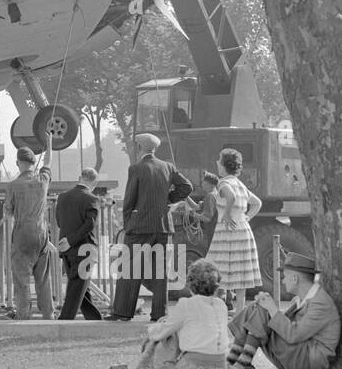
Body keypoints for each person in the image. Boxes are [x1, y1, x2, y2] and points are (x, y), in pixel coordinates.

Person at [109, 133, 192, 322]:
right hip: (163, 227)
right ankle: (159, 313)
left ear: (140, 148)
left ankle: (122, 312)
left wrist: (128, 224)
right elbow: (186, 187)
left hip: (140, 227)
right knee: (160, 273)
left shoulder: (136, 168)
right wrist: (167, 200)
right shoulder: (168, 167)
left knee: (131, 269)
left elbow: (129, 199)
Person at [129, 259, 244, 369]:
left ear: (190, 284)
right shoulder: (221, 305)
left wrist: (153, 329)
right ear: (216, 285)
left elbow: (160, 333)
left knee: (165, 337)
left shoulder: (186, 304)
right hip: (220, 368)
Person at [226, 252, 340, 369]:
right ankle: (234, 362)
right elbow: (279, 326)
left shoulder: (320, 302)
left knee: (262, 309)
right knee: (256, 306)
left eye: (285, 276)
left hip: (307, 360)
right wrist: (266, 306)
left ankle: (240, 365)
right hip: (299, 354)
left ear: (295, 278)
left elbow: (294, 335)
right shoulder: (304, 299)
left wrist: (271, 308)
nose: (283, 281)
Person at [205, 149, 262, 309]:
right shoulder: (240, 184)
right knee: (240, 276)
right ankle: (239, 314)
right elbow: (257, 203)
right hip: (243, 230)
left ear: (222, 166)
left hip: (227, 231)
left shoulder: (223, 182)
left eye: (219, 160)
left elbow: (231, 196)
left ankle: (218, 310)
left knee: (218, 270)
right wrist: (247, 217)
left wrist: (228, 213)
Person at [6, 137, 54, 319]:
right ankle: (48, 314)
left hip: (22, 235)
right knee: (43, 279)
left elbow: (9, 213)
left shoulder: (12, 186)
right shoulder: (43, 180)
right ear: (33, 163)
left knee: (21, 279)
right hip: (42, 235)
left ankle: (24, 315)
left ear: (18, 163)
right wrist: (49, 142)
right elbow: (48, 161)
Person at [55, 167, 103, 320]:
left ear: (79, 177)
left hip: (67, 250)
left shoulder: (62, 197)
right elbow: (89, 225)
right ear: (94, 182)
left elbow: (59, 221)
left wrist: (68, 240)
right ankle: (65, 320)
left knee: (80, 289)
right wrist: (71, 241)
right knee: (77, 289)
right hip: (85, 249)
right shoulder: (92, 199)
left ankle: (95, 319)